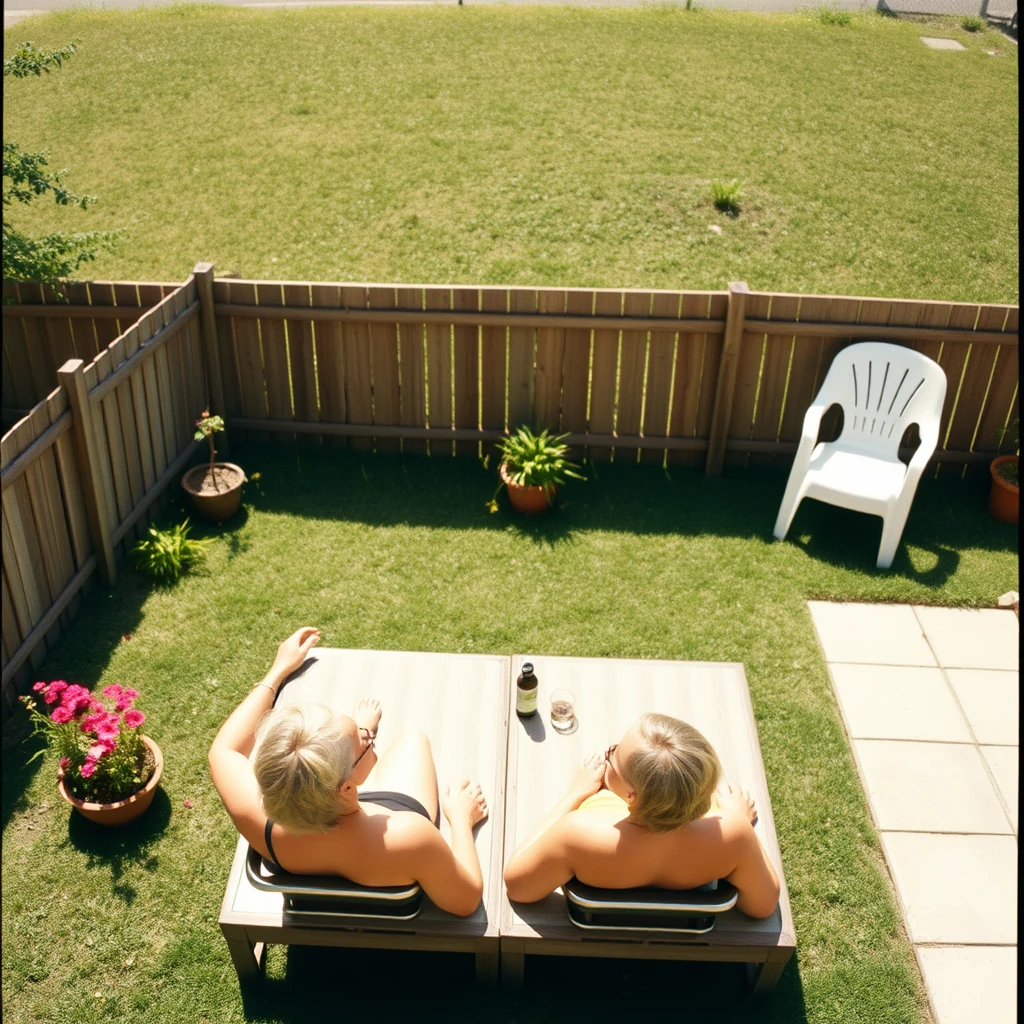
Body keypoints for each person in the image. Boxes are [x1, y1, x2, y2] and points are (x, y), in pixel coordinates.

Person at [209, 627, 489, 917]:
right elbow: (465, 901)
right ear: (344, 789)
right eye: (362, 738)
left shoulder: (257, 817)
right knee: (413, 741)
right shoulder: (411, 837)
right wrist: (460, 820)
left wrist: (277, 672)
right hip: (382, 844)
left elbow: (222, 750)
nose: (369, 737)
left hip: (335, 825)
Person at [502, 712, 780, 919]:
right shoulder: (734, 833)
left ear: (631, 797)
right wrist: (740, 821)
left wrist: (573, 795)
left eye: (613, 755)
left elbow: (518, 887)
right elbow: (763, 906)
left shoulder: (577, 833)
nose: (606, 754)